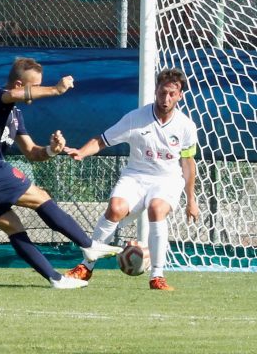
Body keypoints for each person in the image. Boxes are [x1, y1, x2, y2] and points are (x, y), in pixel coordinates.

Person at [0, 57, 122, 290]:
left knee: (12, 226)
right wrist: (56, 90)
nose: (38, 90)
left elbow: (31, 152)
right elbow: (11, 95)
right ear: (20, 85)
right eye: (35, 86)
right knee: (40, 196)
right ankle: (88, 245)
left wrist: (52, 150)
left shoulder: (15, 115)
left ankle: (56, 278)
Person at [63, 67, 199, 291]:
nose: (166, 98)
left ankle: (157, 276)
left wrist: (191, 200)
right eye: (163, 92)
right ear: (156, 90)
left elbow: (187, 163)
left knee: (157, 209)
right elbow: (103, 139)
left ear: (180, 95)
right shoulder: (135, 118)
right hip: (135, 176)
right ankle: (86, 266)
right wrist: (81, 152)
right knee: (115, 208)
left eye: (172, 94)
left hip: (166, 179)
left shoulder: (186, 126)